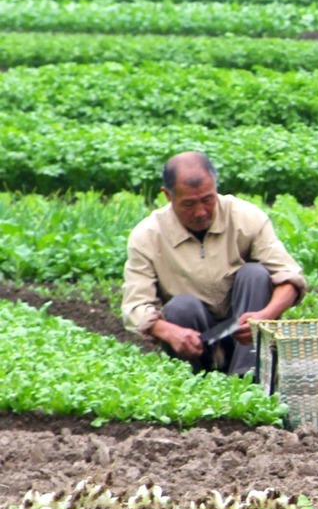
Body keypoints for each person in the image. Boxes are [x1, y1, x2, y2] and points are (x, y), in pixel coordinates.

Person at [121, 151, 307, 377]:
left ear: (216, 188)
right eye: (189, 203)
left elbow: (289, 276)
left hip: (244, 332)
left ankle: (249, 377)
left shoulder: (246, 217)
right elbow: (135, 306)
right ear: (168, 196)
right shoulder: (147, 236)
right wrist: (168, 331)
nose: (200, 212)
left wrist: (266, 314)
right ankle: (195, 382)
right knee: (181, 307)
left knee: (255, 274)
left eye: (208, 199)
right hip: (193, 338)